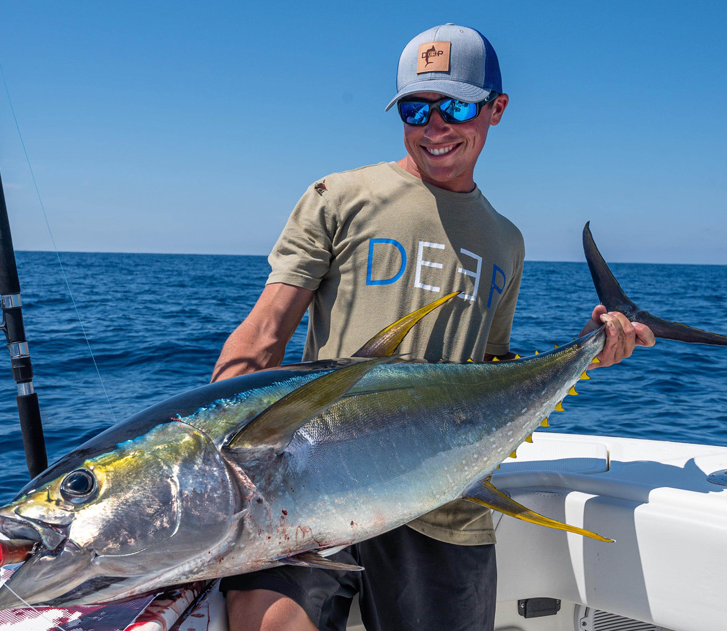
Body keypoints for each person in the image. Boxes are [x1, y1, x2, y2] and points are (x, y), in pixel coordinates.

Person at [211, 24, 654, 631]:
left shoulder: (506, 240)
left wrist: (590, 348)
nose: (435, 126)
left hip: (445, 497)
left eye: (457, 106)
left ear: (496, 110)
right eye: (416, 109)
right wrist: (219, 452)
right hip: (314, 488)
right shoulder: (338, 197)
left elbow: (488, 367)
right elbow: (263, 334)